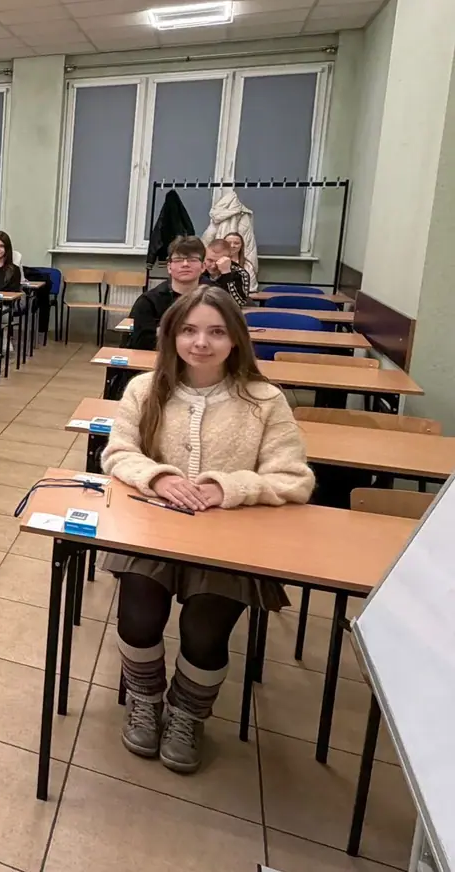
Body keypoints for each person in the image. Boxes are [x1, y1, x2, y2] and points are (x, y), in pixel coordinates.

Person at [101, 286, 313, 774]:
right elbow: (117, 453)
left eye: (216, 332)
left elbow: (293, 478)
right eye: (190, 330)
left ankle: (187, 713)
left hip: (230, 539)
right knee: (138, 613)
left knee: (204, 629)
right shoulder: (144, 389)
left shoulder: (264, 400)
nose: (201, 342)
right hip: (154, 528)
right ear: (171, 335)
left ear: (235, 339)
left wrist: (227, 487)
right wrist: (159, 476)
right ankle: (145, 698)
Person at [128, 235, 205, 352]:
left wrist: (163, 332)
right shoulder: (148, 302)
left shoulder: (214, 300)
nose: (185, 264)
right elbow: (142, 343)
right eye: (178, 260)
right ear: (169, 267)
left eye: (192, 259)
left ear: (203, 266)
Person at [202, 238, 251, 307]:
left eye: (218, 261)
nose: (213, 266)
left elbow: (239, 303)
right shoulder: (199, 270)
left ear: (229, 259)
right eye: (210, 260)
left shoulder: (240, 273)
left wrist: (226, 274)